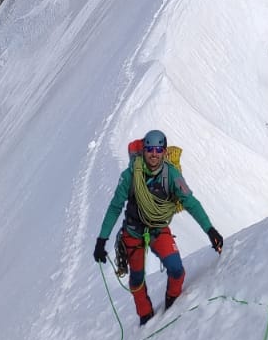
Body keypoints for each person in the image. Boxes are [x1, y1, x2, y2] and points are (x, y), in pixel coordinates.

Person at [93, 130, 223, 325]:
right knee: (137, 278)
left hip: (158, 228)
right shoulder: (129, 176)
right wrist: (101, 240)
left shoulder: (171, 174)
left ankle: (172, 303)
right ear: (144, 151)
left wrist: (210, 230)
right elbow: (115, 207)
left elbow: (190, 202)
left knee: (177, 270)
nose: (154, 154)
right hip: (133, 231)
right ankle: (145, 316)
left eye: (158, 149)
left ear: (164, 151)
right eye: (150, 149)